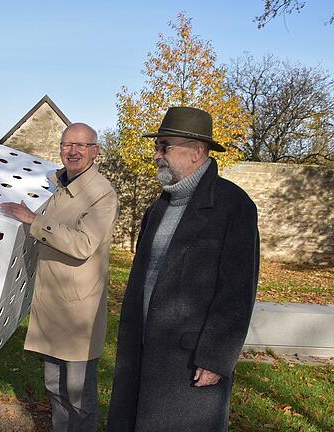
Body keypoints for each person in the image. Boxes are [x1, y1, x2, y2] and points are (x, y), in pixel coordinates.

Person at [106, 107, 260, 431]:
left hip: (189, 361)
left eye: (165, 146)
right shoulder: (158, 207)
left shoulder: (234, 206)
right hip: (143, 350)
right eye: (157, 146)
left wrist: (216, 357)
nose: (157, 155)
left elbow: (237, 292)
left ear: (197, 151)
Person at [0, 122, 118, 431]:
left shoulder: (101, 194)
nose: (73, 151)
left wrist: (34, 220)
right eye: (67, 145)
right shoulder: (59, 187)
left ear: (95, 151)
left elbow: (83, 244)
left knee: (79, 396)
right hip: (51, 304)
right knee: (54, 386)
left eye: (81, 145)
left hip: (79, 311)